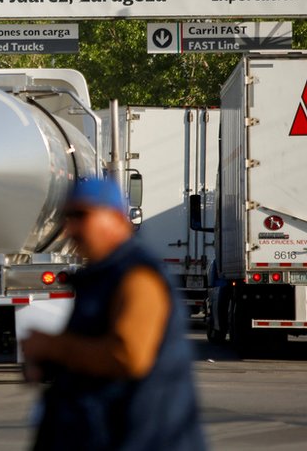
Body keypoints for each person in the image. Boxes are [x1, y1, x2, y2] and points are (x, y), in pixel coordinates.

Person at [20, 177, 205, 451]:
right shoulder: (101, 276)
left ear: (117, 219)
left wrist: (53, 347)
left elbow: (128, 356)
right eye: (68, 216)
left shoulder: (136, 277)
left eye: (83, 215)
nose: (72, 228)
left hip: (139, 439)